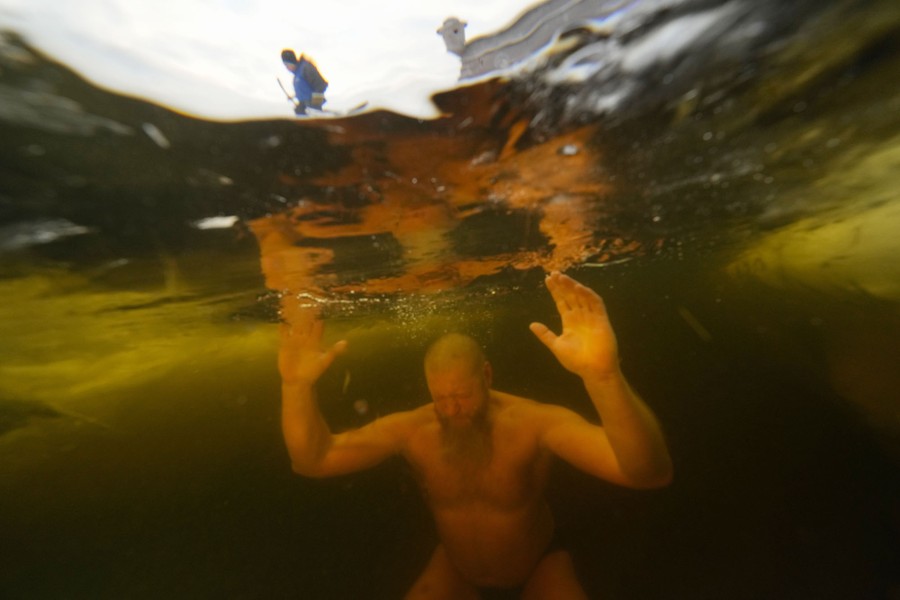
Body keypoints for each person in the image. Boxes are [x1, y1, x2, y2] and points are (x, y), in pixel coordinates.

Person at [278, 272, 673, 599]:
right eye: (441, 398)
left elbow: (647, 472)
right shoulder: (414, 431)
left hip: (539, 564)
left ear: (486, 375)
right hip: (457, 571)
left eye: (462, 396)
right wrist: (295, 387)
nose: (452, 409)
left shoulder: (532, 423)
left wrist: (603, 377)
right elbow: (313, 461)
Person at [281, 49, 328, 115]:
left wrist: (315, 106)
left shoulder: (306, 68)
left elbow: (321, 85)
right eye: (285, 65)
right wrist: (294, 96)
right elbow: (304, 91)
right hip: (303, 109)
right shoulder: (297, 75)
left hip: (312, 110)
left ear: (292, 61)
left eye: (287, 64)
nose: (287, 68)